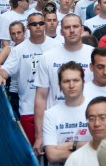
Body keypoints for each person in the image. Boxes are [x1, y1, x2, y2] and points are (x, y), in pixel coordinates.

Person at [0, 12, 62, 144]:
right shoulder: (19, 50)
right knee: (33, 150)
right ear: (28, 27)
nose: (38, 26)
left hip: (53, 108)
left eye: (41, 23)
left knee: (52, 149)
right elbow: (5, 69)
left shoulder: (56, 46)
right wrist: (0, 77)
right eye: (34, 24)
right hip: (28, 108)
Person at [34, 14, 95, 156]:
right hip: (57, 125)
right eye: (67, 27)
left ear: (81, 29)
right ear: (61, 31)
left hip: (87, 121)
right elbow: (41, 97)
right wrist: (39, 135)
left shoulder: (93, 54)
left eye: (75, 27)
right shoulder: (47, 57)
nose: (71, 31)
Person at [42, 62, 91, 166]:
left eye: (76, 80)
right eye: (66, 81)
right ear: (59, 85)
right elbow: (52, 155)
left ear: (83, 82)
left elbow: (103, 146)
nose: (71, 85)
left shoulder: (95, 109)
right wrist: (88, 151)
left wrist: (72, 145)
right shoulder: (50, 114)